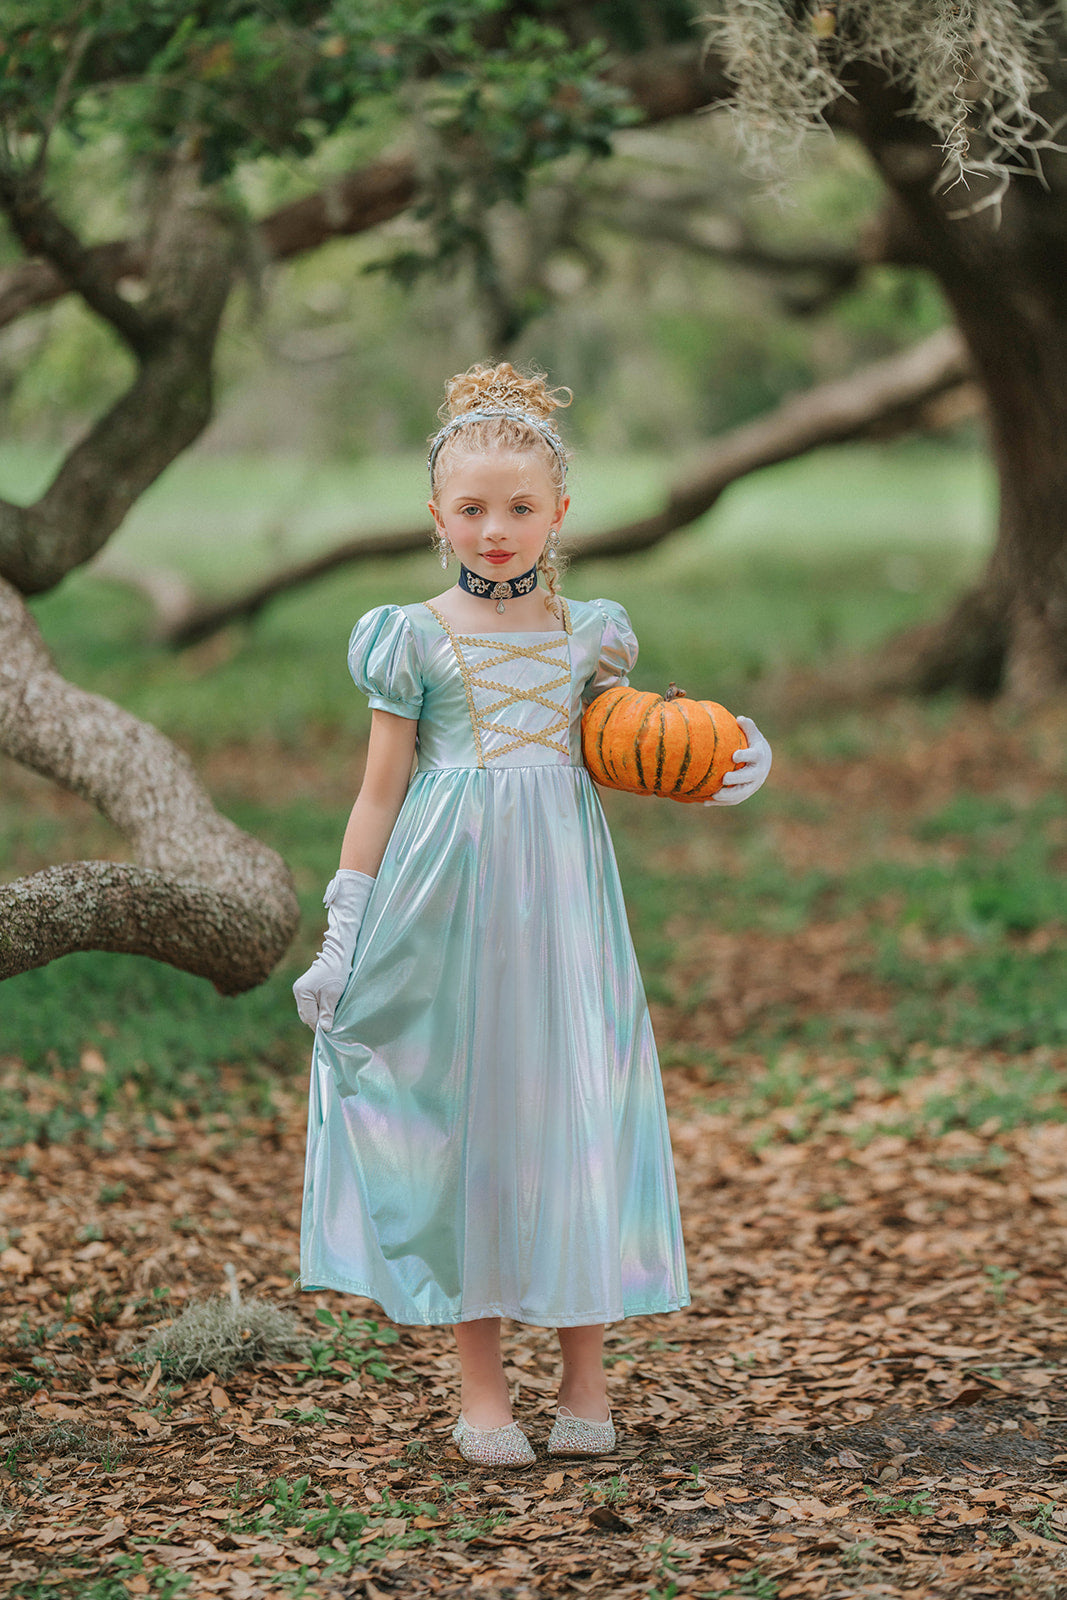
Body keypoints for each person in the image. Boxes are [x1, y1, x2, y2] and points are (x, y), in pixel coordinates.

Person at [293, 362, 772, 1470]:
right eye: (471, 509)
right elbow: (378, 791)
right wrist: (342, 929)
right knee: (468, 1116)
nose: (495, 528)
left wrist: (724, 761)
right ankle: (478, 1386)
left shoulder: (589, 633)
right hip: (443, 903)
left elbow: (636, 743)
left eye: (519, 507)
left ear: (559, 512)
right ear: (435, 518)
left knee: (571, 1111)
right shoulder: (407, 637)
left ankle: (585, 1379)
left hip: (561, 903)